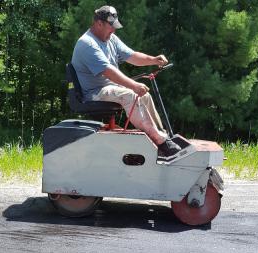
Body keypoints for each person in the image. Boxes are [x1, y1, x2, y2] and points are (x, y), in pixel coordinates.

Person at [71, 5, 181, 159]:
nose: (114, 30)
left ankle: (162, 136)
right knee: (129, 94)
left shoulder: (111, 39)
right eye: (111, 27)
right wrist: (133, 85)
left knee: (144, 96)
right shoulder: (87, 44)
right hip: (94, 93)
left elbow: (132, 56)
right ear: (99, 23)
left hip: (109, 88)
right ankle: (161, 142)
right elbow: (109, 72)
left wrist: (154, 60)